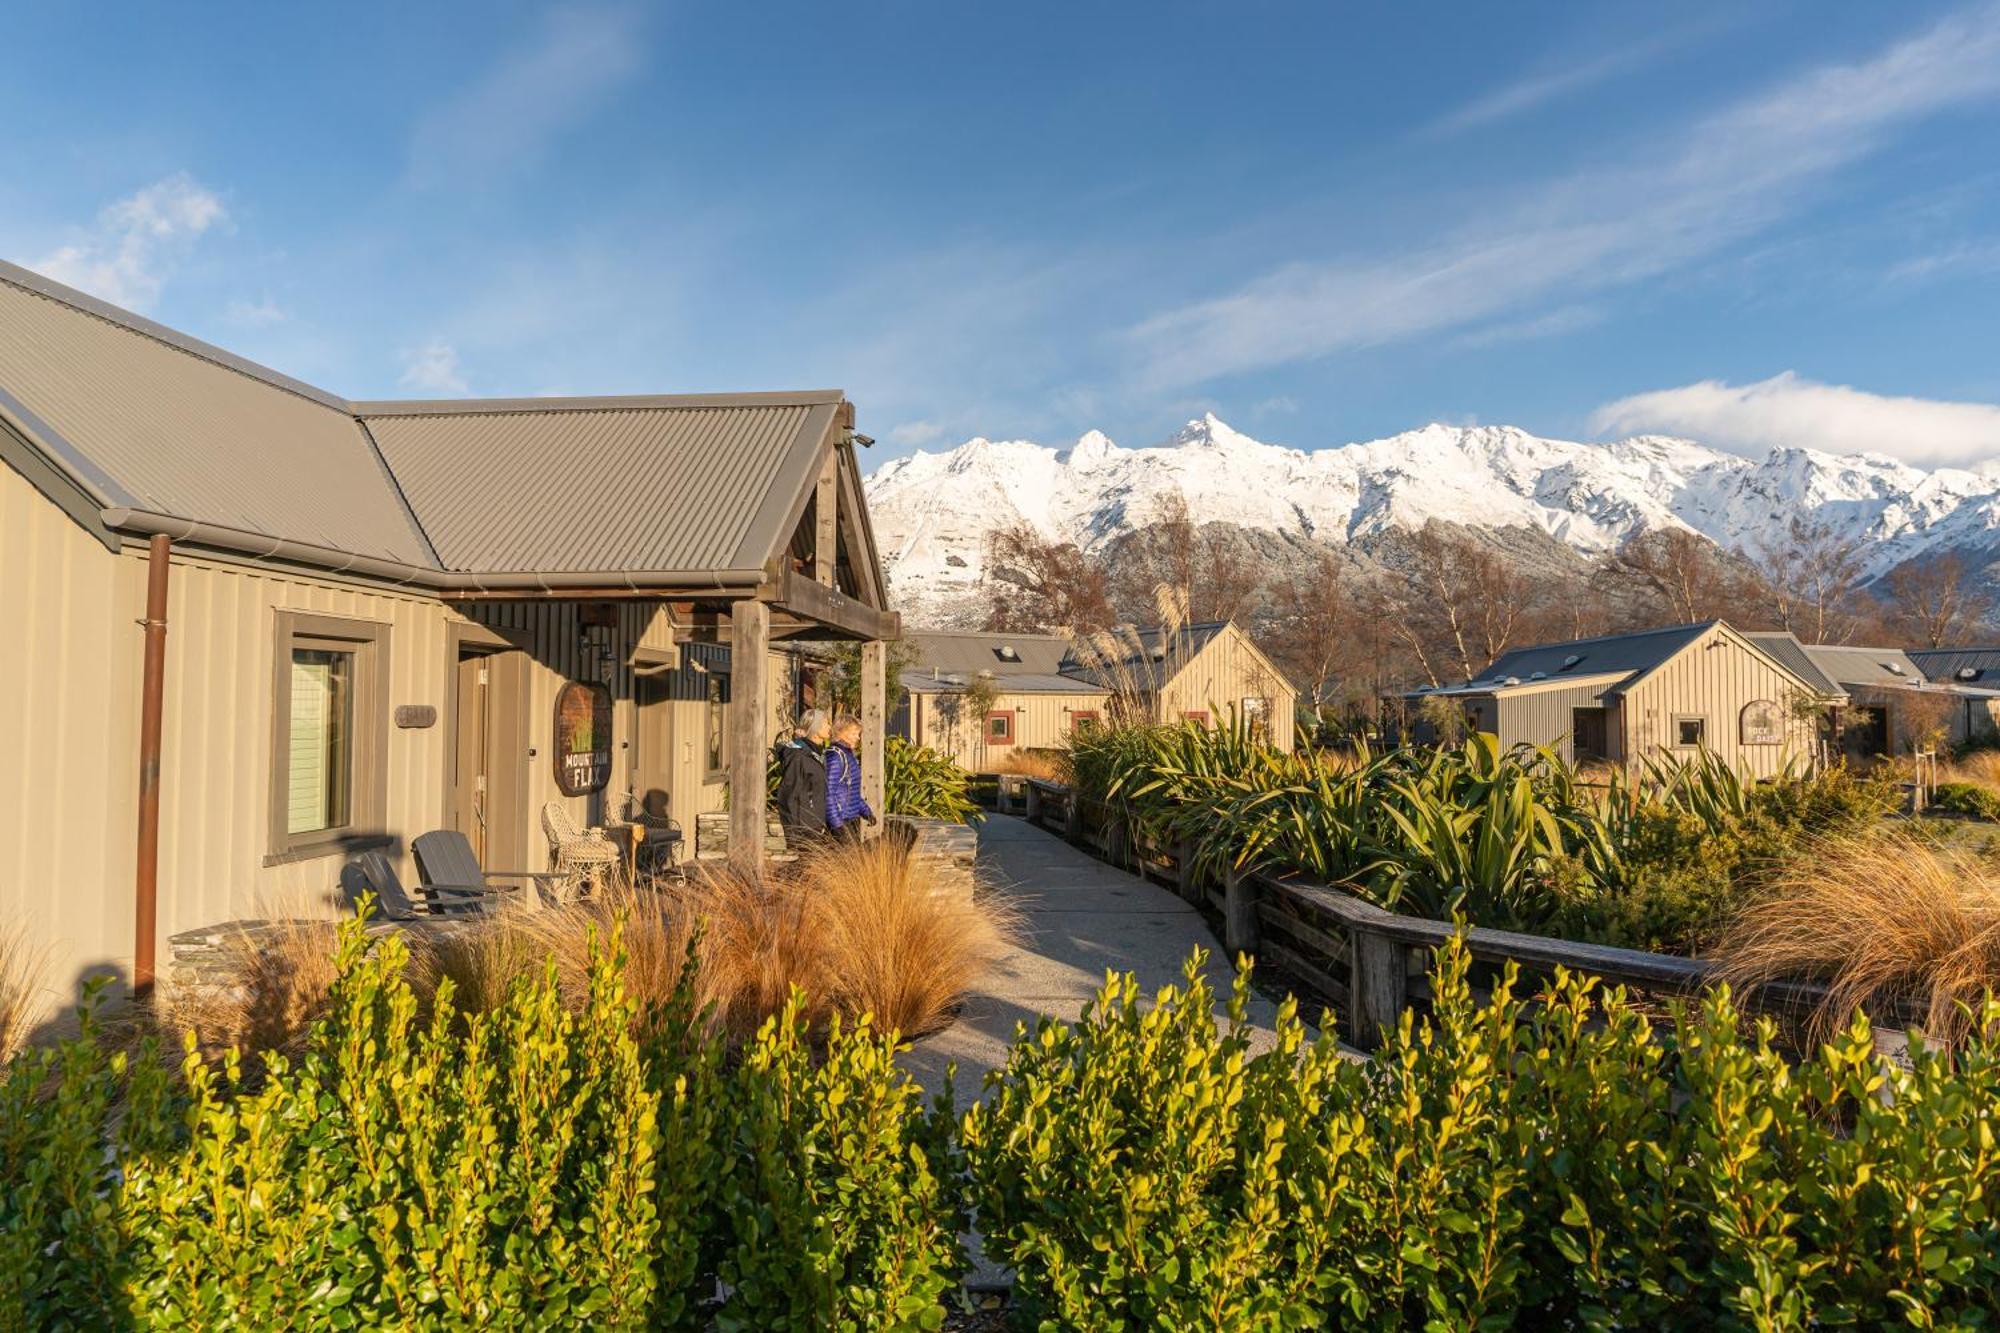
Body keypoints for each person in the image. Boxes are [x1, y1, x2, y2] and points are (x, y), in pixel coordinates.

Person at [775, 709, 831, 847]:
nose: (830, 727)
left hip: (818, 827)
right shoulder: (798, 757)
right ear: (815, 727)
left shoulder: (818, 755)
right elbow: (788, 796)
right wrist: (794, 836)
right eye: (826, 724)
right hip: (804, 830)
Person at [825, 714, 878, 842]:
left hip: (850, 818)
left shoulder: (847, 754)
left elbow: (851, 791)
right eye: (854, 734)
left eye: (858, 734)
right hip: (841, 821)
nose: (858, 738)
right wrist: (837, 826)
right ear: (841, 732)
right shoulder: (835, 755)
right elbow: (828, 793)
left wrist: (866, 812)